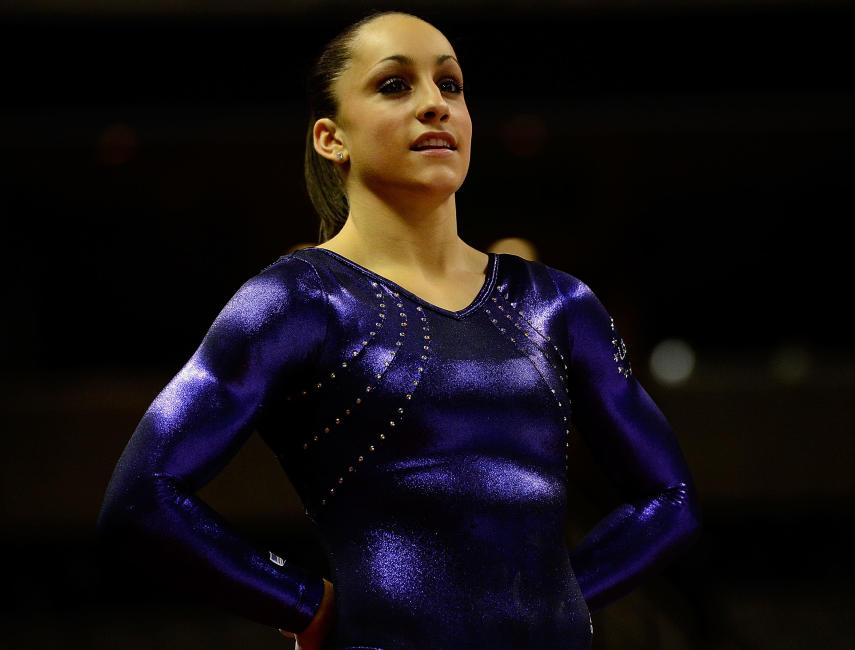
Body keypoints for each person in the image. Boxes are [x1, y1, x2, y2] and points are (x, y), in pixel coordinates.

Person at [97, 11, 701, 650]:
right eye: (395, 85)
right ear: (332, 138)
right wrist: (302, 604)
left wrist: (562, 595)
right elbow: (141, 500)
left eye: (451, 85)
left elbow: (671, 498)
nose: (435, 105)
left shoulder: (556, 302)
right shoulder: (299, 300)